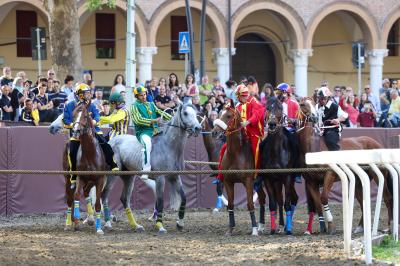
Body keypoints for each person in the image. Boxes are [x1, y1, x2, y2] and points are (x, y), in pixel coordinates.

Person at [63, 83, 119, 189]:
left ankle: (113, 164)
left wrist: (94, 120)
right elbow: (65, 120)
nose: (89, 95)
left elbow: (97, 115)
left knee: (105, 145)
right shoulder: (70, 105)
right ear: (79, 95)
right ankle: (74, 176)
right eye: (86, 93)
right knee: (72, 151)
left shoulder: (92, 105)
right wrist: (74, 125)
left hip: (93, 132)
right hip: (76, 134)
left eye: (89, 93)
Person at [216, 84, 265, 181]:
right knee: (223, 148)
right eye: (242, 95)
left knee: (256, 148)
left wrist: (248, 121)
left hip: (253, 132)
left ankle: (257, 174)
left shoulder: (253, 101)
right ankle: (220, 175)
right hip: (240, 133)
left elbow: (258, 113)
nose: (244, 97)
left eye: (245, 95)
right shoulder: (237, 105)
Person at [131, 86, 172, 179]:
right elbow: (138, 120)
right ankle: (145, 170)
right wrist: (154, 121)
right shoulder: (134, 106)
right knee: (147, 144)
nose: (144, 97)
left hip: (156, 131)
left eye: (145, 94)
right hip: (142, 132)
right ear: (137, 96)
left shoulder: (151, 104)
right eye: (141, 95)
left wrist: (172, 118)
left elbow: (160, 112)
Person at [316, 87, 348, 151]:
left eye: (324, 98)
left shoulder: (334, 106)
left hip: (333, 129)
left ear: (328, 98)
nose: (323, 100)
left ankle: (338, 157)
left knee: (330, 140)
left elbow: (345, 116)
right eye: (321, 98)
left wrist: (338, 120)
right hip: (320, 130)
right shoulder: (317, 106)